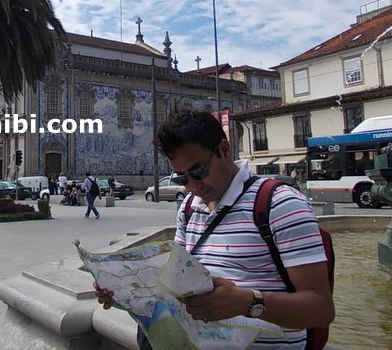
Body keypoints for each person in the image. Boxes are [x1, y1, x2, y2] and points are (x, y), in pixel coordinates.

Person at [94, 108, 334, 349]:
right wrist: (125, 291)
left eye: (199, 171)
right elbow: (176, 282)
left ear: (224, 150)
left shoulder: (280, 204)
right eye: (181, 178)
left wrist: (248, 303)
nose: (192, 186)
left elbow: (321, 310)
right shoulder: (189, 208)